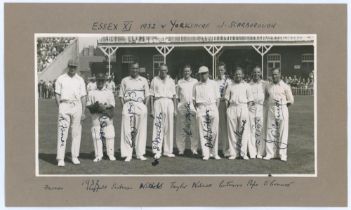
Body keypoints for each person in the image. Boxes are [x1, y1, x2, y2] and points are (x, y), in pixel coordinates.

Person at [55, 58, 87, 167]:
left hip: (77, 105)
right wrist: (60, 107)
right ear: (68, 66)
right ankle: (60, 158)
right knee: (63, 131)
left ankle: (74, 156)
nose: (72, 68)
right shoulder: (61, 78)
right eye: (71, 66)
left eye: (74, 67)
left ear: (76, 68)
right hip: (64, 104)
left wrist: (83, 111)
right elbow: (57, 95)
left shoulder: (80, 80)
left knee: (76, 132)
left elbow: (83, 96)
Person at [119, 62, 149, 162]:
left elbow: (147, 95)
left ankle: (139, 153)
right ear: (130, 69)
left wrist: (144, 106)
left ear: (139, 69)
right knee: (127, 130)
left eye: (136, 68)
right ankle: (128, 154)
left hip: (140, 106)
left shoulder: (144, 80)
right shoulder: (125, 80)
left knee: (141, 130)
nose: (134, 70)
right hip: (128, 105)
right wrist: (124, 107)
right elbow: (121, 96)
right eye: (133, 68)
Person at [264, 68, 294, 161]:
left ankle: (282, 154)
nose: (274, 76)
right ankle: (270, 153)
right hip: (271, 109)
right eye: (273, 74)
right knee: (270, 131)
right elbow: (266, 97)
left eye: (276, 74)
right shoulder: (268, 86)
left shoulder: (285, 86)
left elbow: (291, 100)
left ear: (280, 74)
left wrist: (282, 107)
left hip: (282, 109)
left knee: (282, 132)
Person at [225, 67, 254, 160]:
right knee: (232, 132)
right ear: (234, 75)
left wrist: (246, 110)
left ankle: (243, 153)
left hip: (243, 108)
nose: (238, 76)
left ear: (243, 75)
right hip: (232, 108)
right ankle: (233, 153)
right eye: (236, 74)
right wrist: (228, 109)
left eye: (240, 74)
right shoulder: (230, 85)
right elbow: (226, 99)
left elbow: (250, 100)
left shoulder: (247, 86)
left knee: (244, 131)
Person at [193, 66, 221, 160]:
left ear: (208, 73)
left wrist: (215, 109)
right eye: (201, 74)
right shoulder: (196, 85)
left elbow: (218, 98)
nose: (203, 75)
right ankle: (205, 153)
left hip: (212, 107)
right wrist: (198, 110)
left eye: (204, 73)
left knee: (214, 132)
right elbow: (194, 100)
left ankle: (214, 153)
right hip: (201, 108)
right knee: (203, 132)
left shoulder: (214, 83)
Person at [86, 73, 116, 162]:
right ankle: (98, 155)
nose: (100, 82)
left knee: (109, 135)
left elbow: (113, 104)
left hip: (106, 115)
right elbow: (88, 105)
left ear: (105, 81)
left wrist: (104, 107)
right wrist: (96, 106)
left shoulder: (109, 92)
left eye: (102, 80)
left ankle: (110, 154)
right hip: (96, 116)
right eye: (99, 80)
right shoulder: (91, 92)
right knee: (97, 136)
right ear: (96, 81)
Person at [150, 64, 177, 159]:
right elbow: (152, 96)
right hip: (158, 102)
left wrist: (175, 110)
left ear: (167, 70)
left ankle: (168, 151)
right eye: (161, 70)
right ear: (159, 70)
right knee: (158, 126)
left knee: (169, 127)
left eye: (165, 70)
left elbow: (174, 96)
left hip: (169, 103)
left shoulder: (171, 81)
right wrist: (152, 109)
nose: (163, 72)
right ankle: (157, 150)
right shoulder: (154, 80)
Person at [175, 64, 199, 156]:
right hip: (182, 108)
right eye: (185, 71)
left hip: (192, 108)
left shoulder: (195, 81)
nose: (186, 73)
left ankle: (194, 149)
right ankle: (181, 149)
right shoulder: (180, 82)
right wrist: (178, 107)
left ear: (191, 72)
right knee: (182, 129)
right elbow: (177, 96)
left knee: (193, 129)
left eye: (188, 71)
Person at [249, 66, 267, 159]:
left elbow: (268, 96)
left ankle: (260, 152)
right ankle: (252, 152)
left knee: (260, 130)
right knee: (252, 130)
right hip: (251, 108)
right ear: (252, 73)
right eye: (255, 72)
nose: (256, 74)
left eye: (258, 72)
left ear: (261, 73)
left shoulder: (265, 84)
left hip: (261, 108)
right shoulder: (249, 84)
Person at [216, 62, 232, 157]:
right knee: (216, 127)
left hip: (225, 104)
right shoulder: (214, 81)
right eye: (219, 70)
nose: (220, 71)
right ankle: (215, 149)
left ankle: (226, 149)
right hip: (215, 105)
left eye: (222, 70)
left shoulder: (228, 81)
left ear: (225, 70)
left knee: (225, 127)